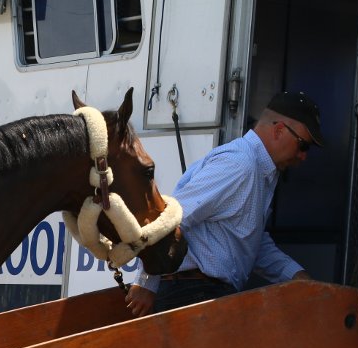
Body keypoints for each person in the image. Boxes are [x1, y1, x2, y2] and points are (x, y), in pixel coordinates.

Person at [125, 91, 323, 317]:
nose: (303, 156)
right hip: (193, 294)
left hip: (204, 294)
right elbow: (174, 218)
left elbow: (251, 242)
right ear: (279, 130)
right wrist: (146, 282)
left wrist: (295, 276)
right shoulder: (240, 164)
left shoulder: (262, 172)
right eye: (303, 145)